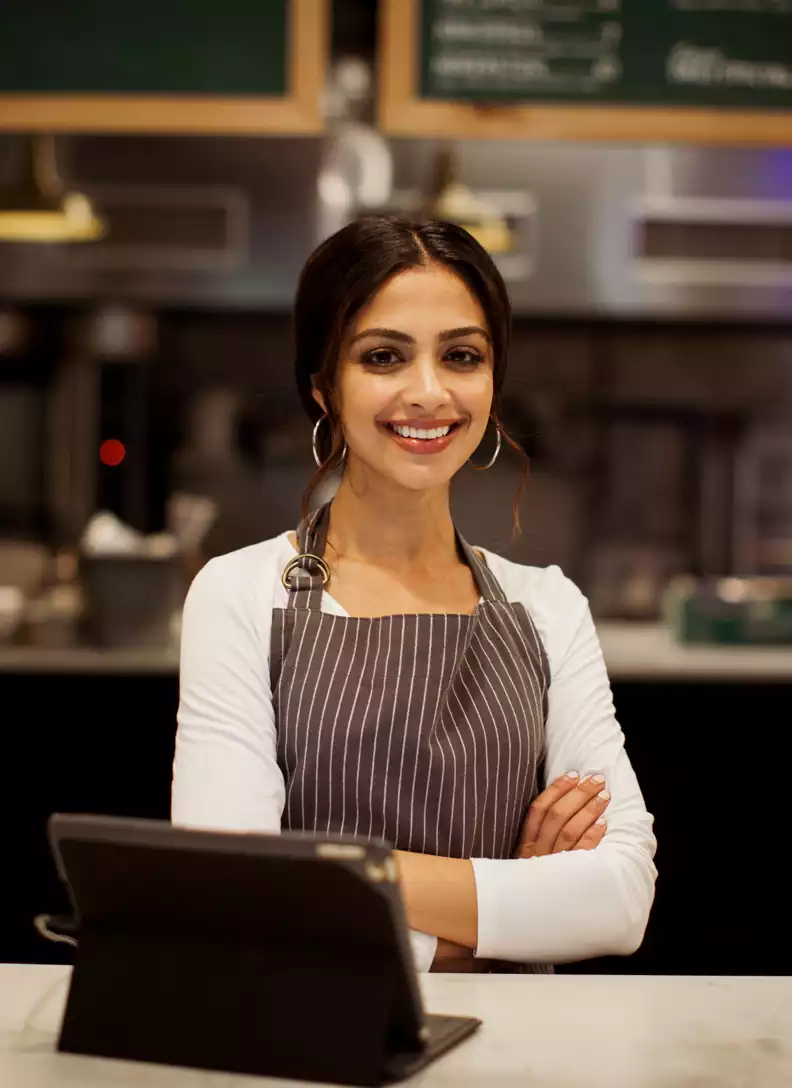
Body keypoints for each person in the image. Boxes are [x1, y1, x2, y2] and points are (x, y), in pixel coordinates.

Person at [172, 215, 657, 973]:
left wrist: (318, 870)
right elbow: (229, 891)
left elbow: (621, 899)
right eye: (384, 356)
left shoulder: (549, 608)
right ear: (324, 385)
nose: (428, 392)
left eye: (461, 356)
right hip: (309, 1046)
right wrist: (510, 910)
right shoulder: (237, 593)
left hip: (525, 1056)